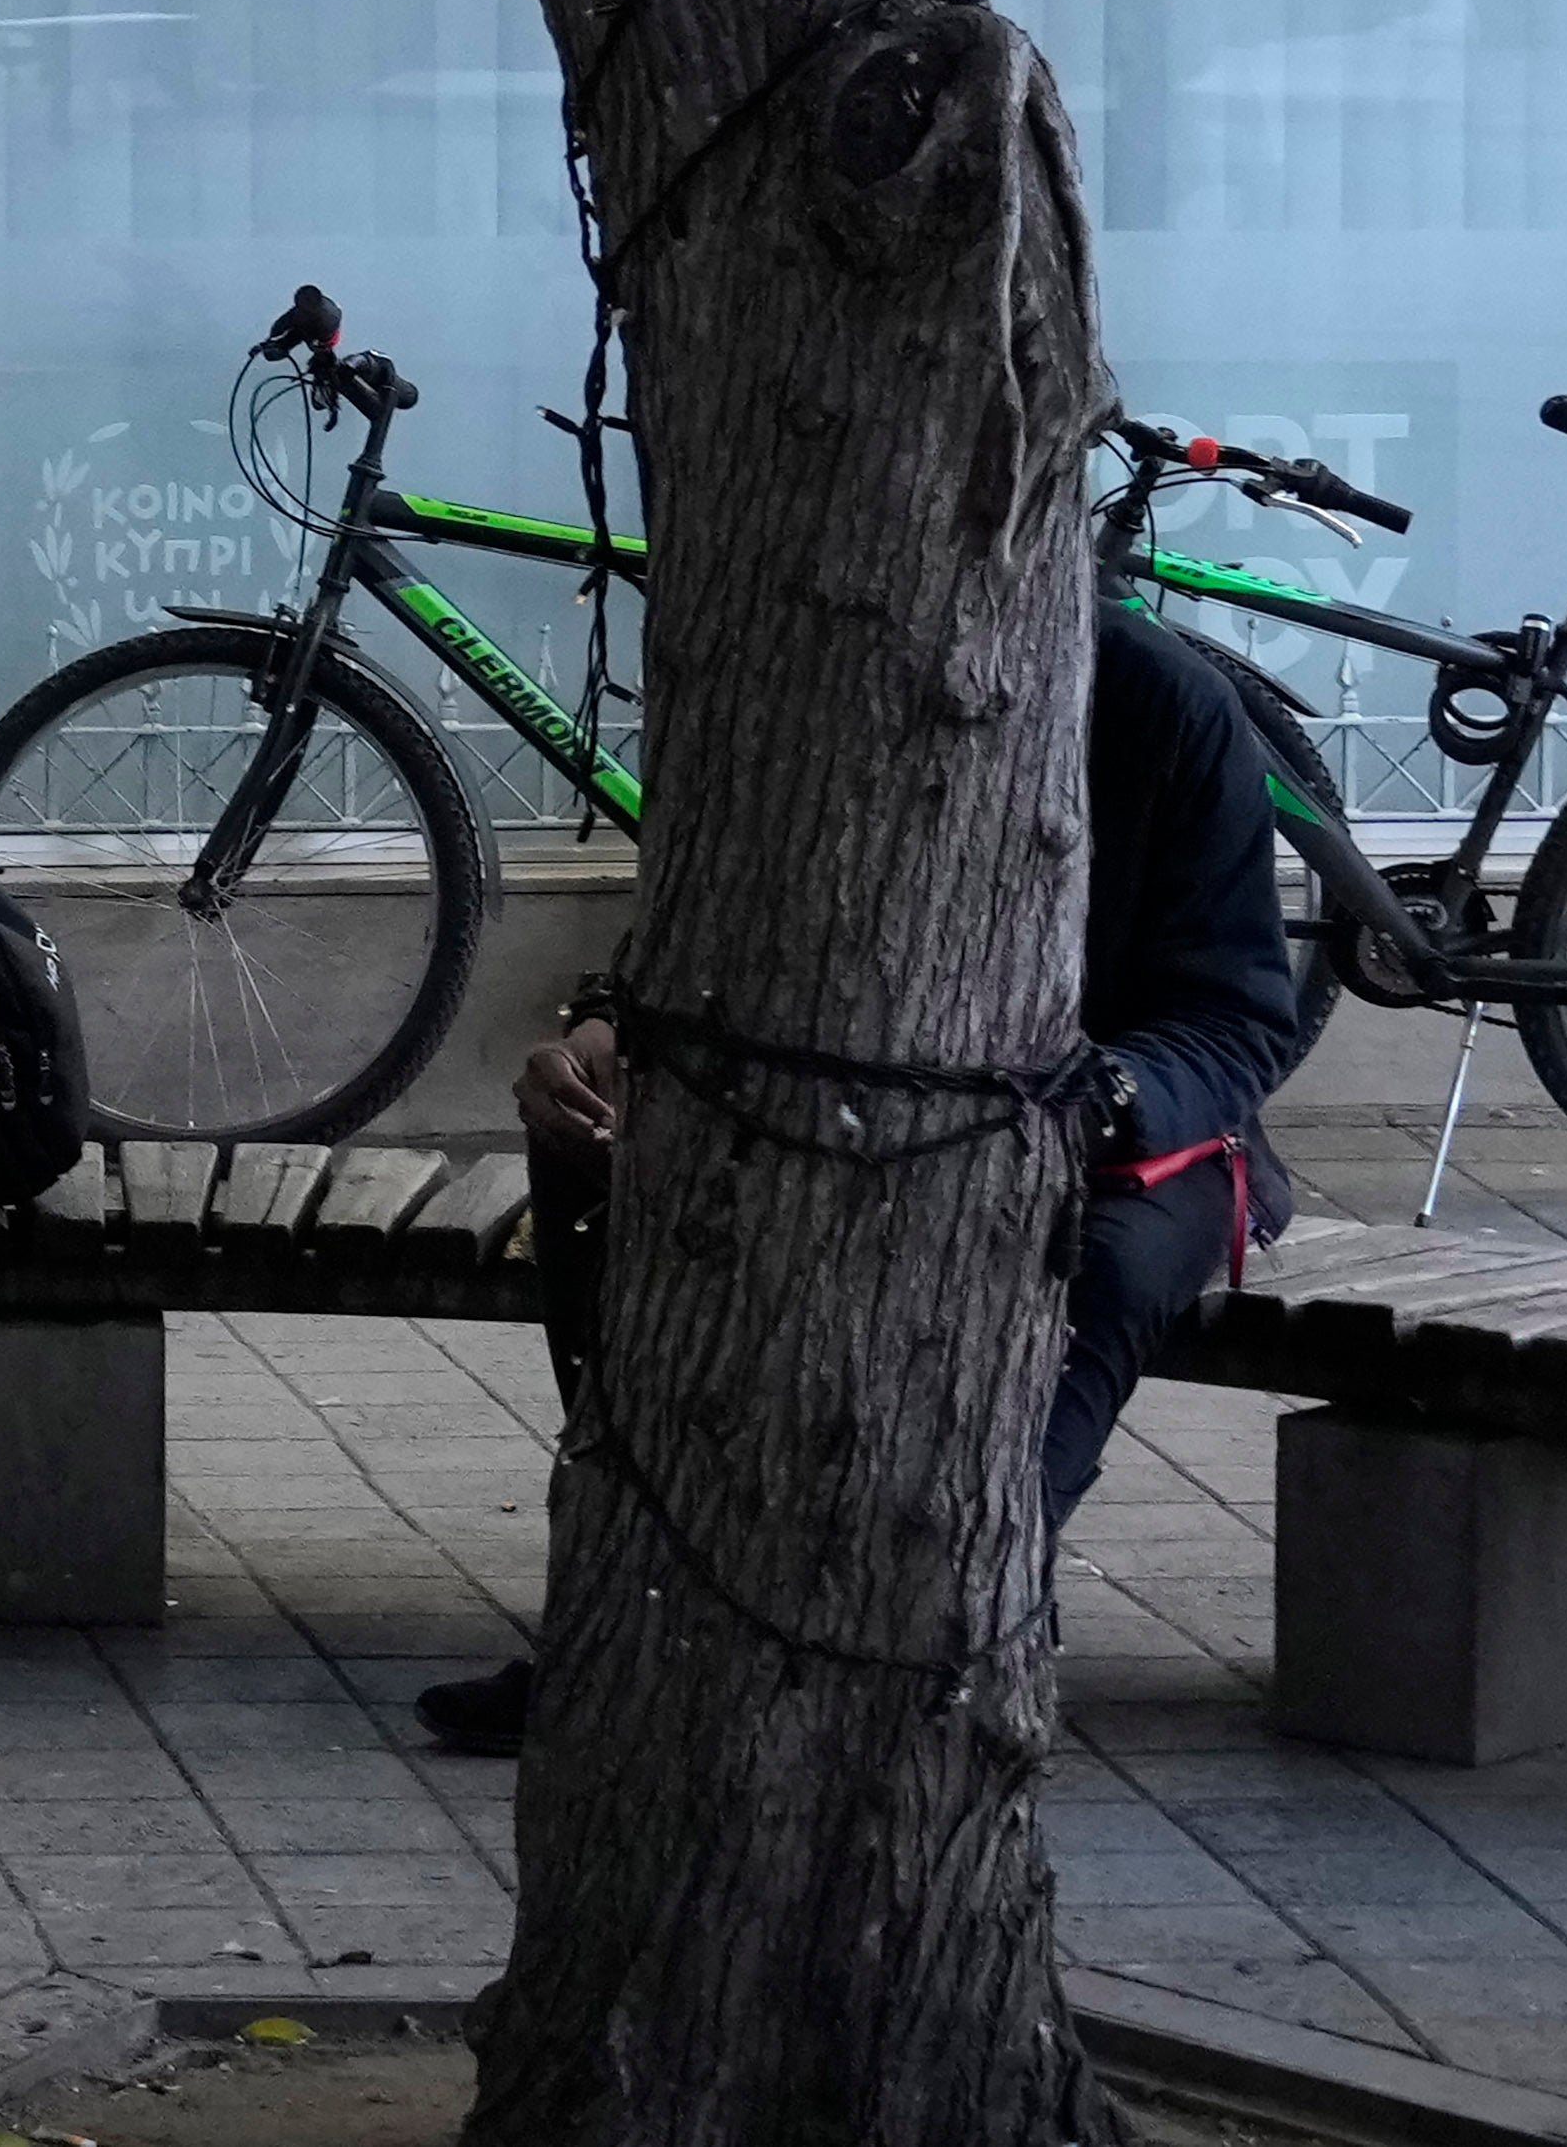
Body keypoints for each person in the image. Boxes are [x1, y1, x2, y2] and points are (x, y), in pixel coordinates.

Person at [411, 601, 1311, 1752]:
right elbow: (701, 940)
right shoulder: (805, 671)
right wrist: (607, 1031)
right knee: (594, 1158)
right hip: (837, 1114)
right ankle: (631, 1611)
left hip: (1119, 1140)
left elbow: (1233, 1022)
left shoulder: (1163, 703)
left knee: (1095, 1268)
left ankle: (962, 1623)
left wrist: (1094, 1102)